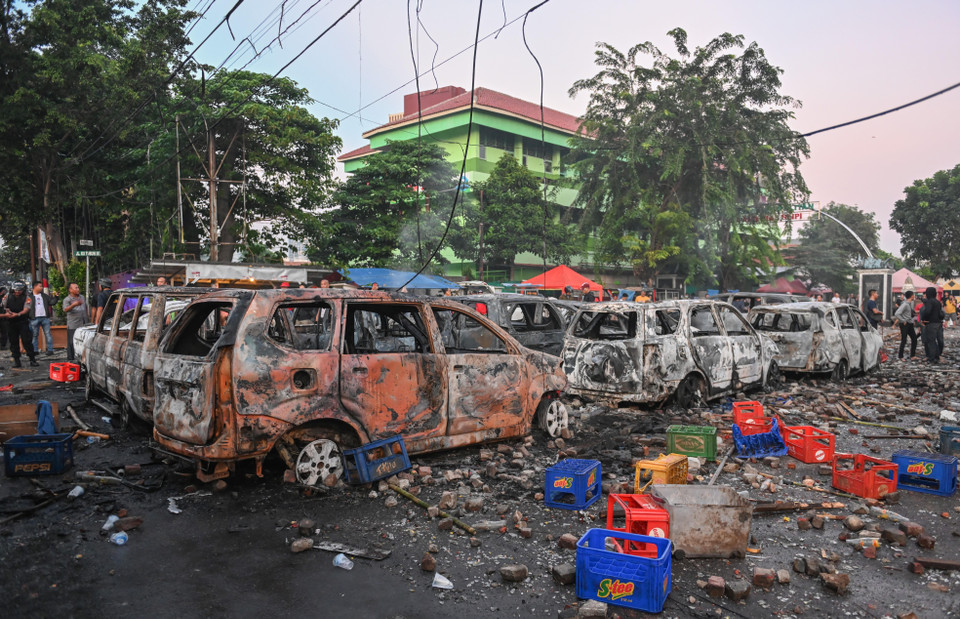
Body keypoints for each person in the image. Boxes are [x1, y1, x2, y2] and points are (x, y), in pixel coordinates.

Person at [2, 282, 38, 367]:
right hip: (10, 322)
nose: (18, 292)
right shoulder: (7, 296)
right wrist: (7, 312)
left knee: (27, 341)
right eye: (16, 290)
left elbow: (26, 309)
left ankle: (32, 359)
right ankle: (17, 360)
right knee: (13, 342)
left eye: (20, 290)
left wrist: (18, 314)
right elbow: (3, 306)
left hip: (23, 321)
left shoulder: (27, 297)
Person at [27, 281, 55, 356]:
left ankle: (50, 349)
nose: (41, 287)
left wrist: (56, 297)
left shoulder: (44, 296)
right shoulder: (29, 296)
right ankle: (35, 350)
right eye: (40, 286)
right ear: (35, 287)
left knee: (48, 334)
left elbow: (51, 302)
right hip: (34, 318)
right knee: (34, 335)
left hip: (44, 317)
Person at [62, 282, 88, 362]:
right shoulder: (67, 299)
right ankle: (71, 359)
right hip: (73, 324)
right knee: (71, 342)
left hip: (83, 323)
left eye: (78, 287)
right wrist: (74, 305)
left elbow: (85, 307)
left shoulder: (82, 297)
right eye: (75, 288)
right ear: (70, 290)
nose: (78, 289)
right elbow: (65, 309)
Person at [919, 286, 944, 363]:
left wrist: (923, 319)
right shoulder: (938, 302)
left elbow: (927, 311)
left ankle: (932, 358)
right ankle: (937, 356)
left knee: (931, 341)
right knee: (937, 340)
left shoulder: (930, 302)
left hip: (931, 323)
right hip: (938, 323)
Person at [893, 290, 918, 360]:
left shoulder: (910, 304)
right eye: (913, 295)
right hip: (904, 324)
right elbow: (897, 313)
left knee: (914, 339)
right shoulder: (905, 304)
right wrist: (903, 320)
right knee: (904, 340)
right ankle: (901, 356)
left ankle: (912, 355)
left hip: (909, 323)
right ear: (912, 296)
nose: (914, 296)